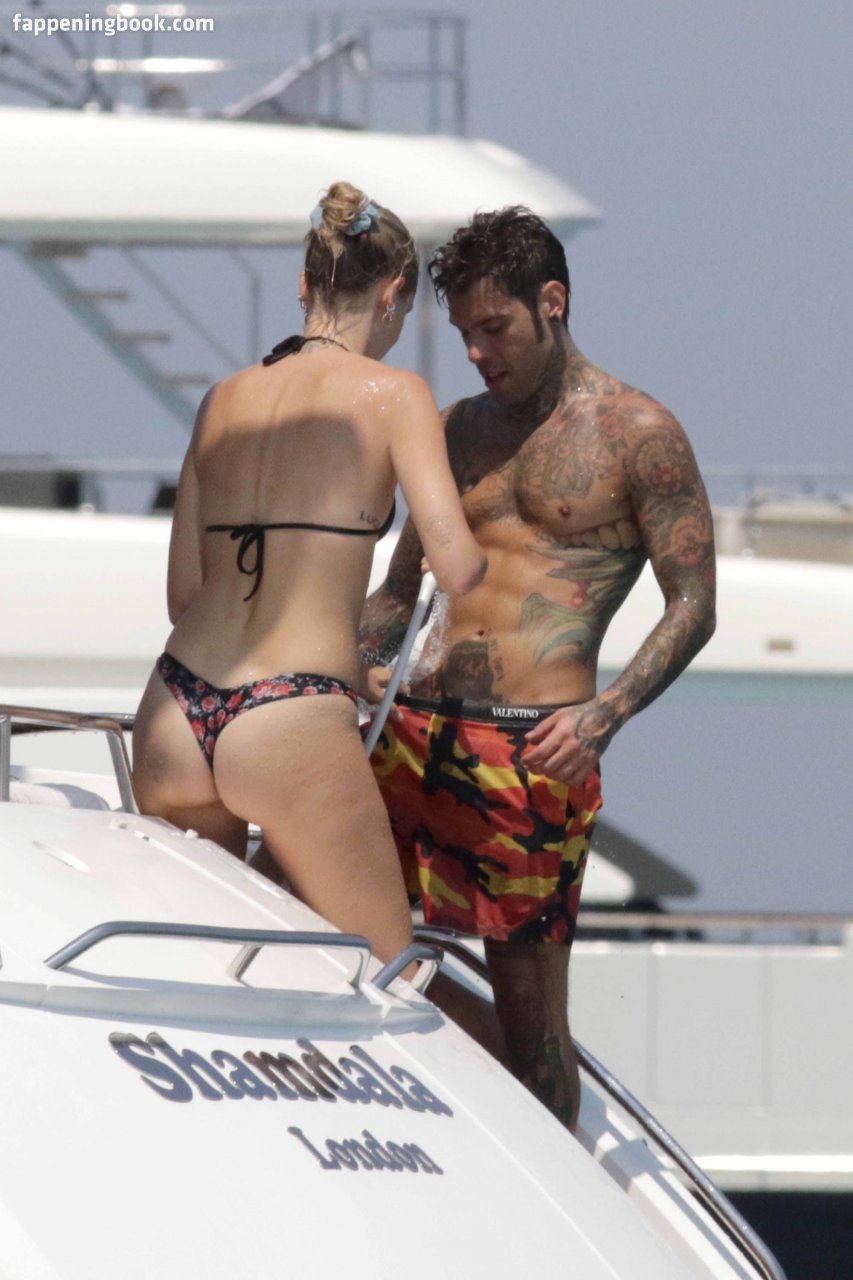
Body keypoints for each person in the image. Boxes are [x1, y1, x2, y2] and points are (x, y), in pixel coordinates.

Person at [359, 206, 716, 1127]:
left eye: (494, 328)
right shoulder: (451, 430)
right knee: (338, 942)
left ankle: (558, 1168)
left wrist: (607, 713)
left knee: (532, 1025)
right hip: (407, 736)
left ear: (550, 301)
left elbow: (692, 604)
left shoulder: (638, 433)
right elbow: (399, 592)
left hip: (530, 752)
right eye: (463, 333)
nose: (477, 353)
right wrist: (339, 674)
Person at [132, 182, 486, 966]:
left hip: (174, 708)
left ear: (304, 286)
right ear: (392, 294)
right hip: (286, 716)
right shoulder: (395, 396)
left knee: (202, 968)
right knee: (382, 972)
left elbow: (185, 597)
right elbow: (457, 567)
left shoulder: (222, 400)